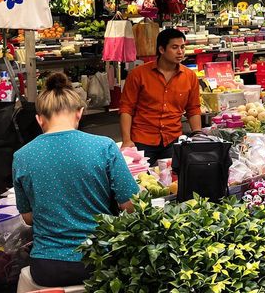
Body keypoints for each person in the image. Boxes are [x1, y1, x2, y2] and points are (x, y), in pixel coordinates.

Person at [13, 73, 139, 288]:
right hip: (100, 261)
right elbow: (131, 205)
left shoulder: (22, 156)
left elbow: (28, 217)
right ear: (80, 113)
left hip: (47, 267)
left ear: (39, 118)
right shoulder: (105, 146)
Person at [120, 28, 201, 165]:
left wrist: (198, 135)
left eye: (182, 47)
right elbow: (126, 108)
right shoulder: (138, 74)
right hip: (142, 139)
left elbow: (193, 108)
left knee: (173, 180)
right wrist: (127, 140)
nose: (180, 52)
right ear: (162, 50)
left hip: (173, 139)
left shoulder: (190, 76)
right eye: (174, 47)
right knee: (141, 179)